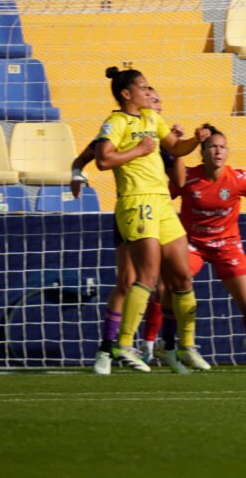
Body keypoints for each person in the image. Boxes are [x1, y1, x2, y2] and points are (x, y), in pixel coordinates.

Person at [95, 66, 209, 372]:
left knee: (182, 276)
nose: (149, 92)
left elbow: (174, 147)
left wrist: (195, 141)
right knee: (145, 276)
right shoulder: (115, 122)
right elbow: (103, 159)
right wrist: (138, 150)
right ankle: (123, 345)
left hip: (161, 202)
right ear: (126, 94)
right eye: (144, 88)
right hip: (136, 201)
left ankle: (186, 346)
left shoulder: (152, 119)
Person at [74, 88, 185, 374]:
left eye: (159, 100)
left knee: (166, 283)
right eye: (150, 96)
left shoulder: (160, 139)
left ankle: (164, 346)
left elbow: (180, 181)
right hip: (133, 208)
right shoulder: (128, 129)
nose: (155, 102)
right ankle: (108, 348)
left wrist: (181, 146)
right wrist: (77, 169)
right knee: (129, 281)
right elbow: (93, 152)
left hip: (158, 209)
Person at [164, 125, 246, 373]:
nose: (218, 151)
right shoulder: (188, 177)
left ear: (228, 152)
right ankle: (165, 344)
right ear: (202, 152)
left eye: (222, 147)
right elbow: (164, 195)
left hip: (227, 246)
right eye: (212, 146)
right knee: (169, 287)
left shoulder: (239, 179)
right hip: (193, 245)